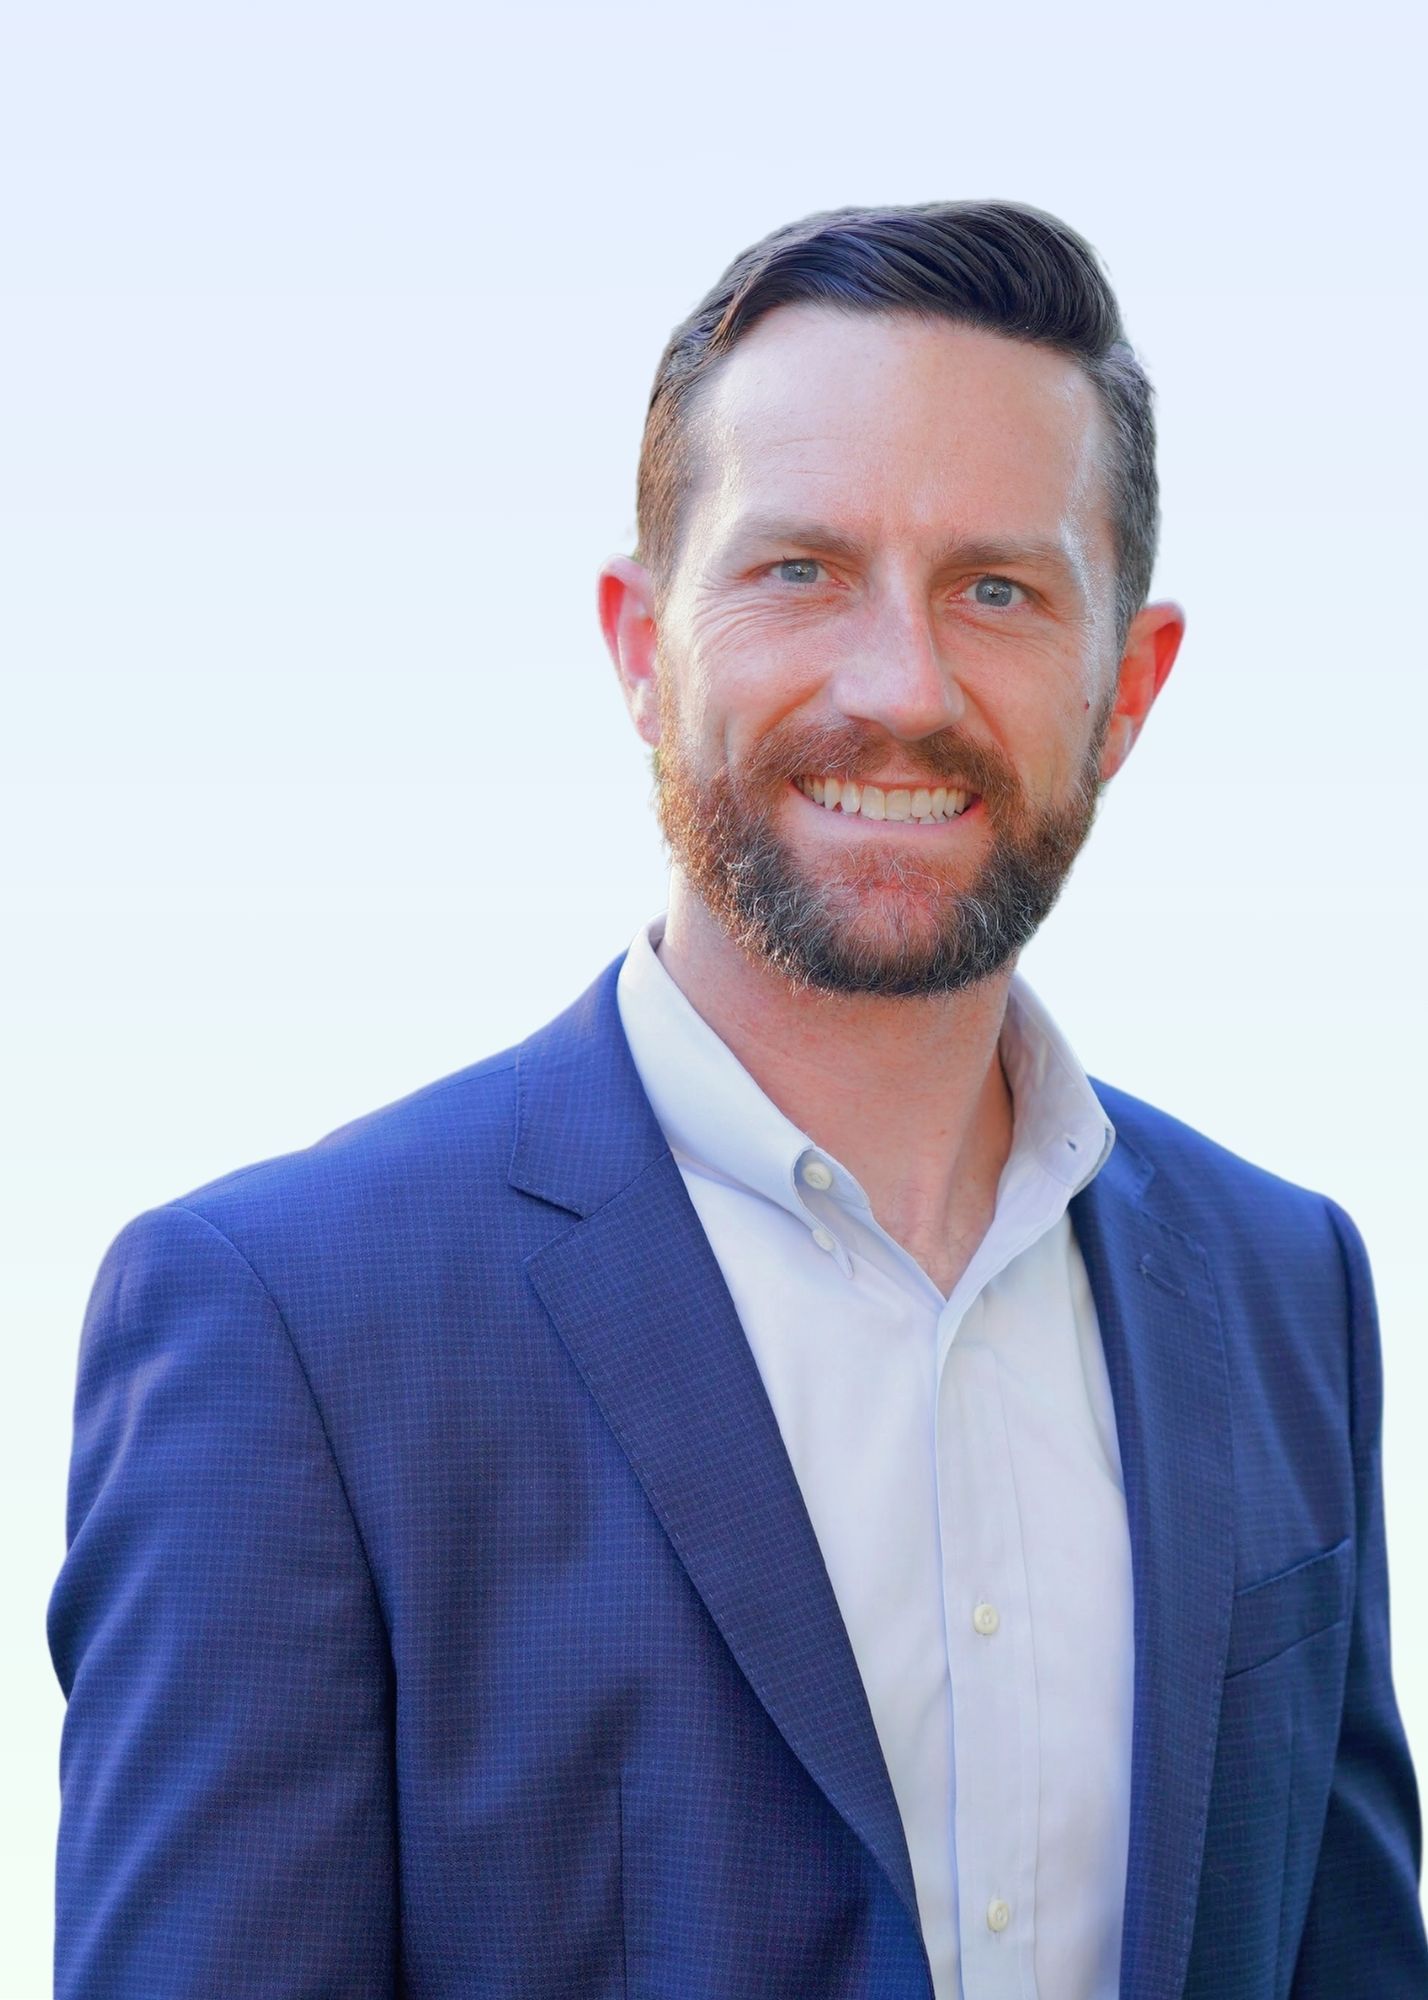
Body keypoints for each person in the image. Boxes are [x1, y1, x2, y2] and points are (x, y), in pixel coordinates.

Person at [48, 200, 1426, 2000]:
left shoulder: (1281, 1285)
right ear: (640, 646)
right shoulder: (284, 1326)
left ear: (1127, 691)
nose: (898, 687)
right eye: (800, 573)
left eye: (996, 591)